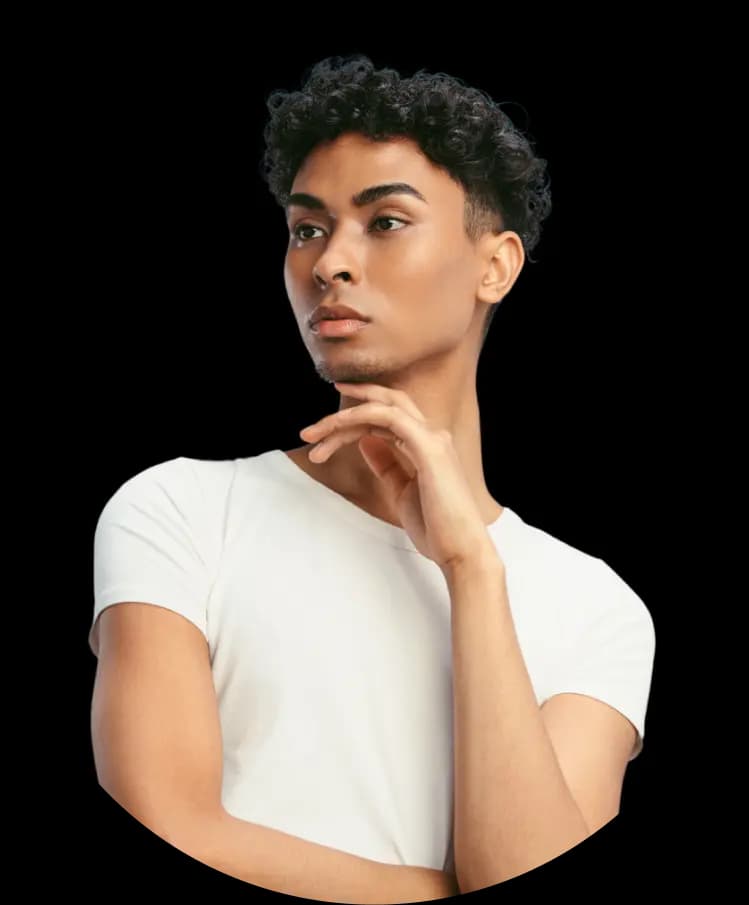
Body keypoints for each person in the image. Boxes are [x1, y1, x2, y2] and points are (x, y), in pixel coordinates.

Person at [89, 55, 655, 900]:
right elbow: (165, 826)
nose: (328, 265)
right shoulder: (180, 510)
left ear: (495, 265)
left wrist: (471, 568)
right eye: (307, 228)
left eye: (384, 221)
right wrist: (439, 891)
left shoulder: (594, 604)